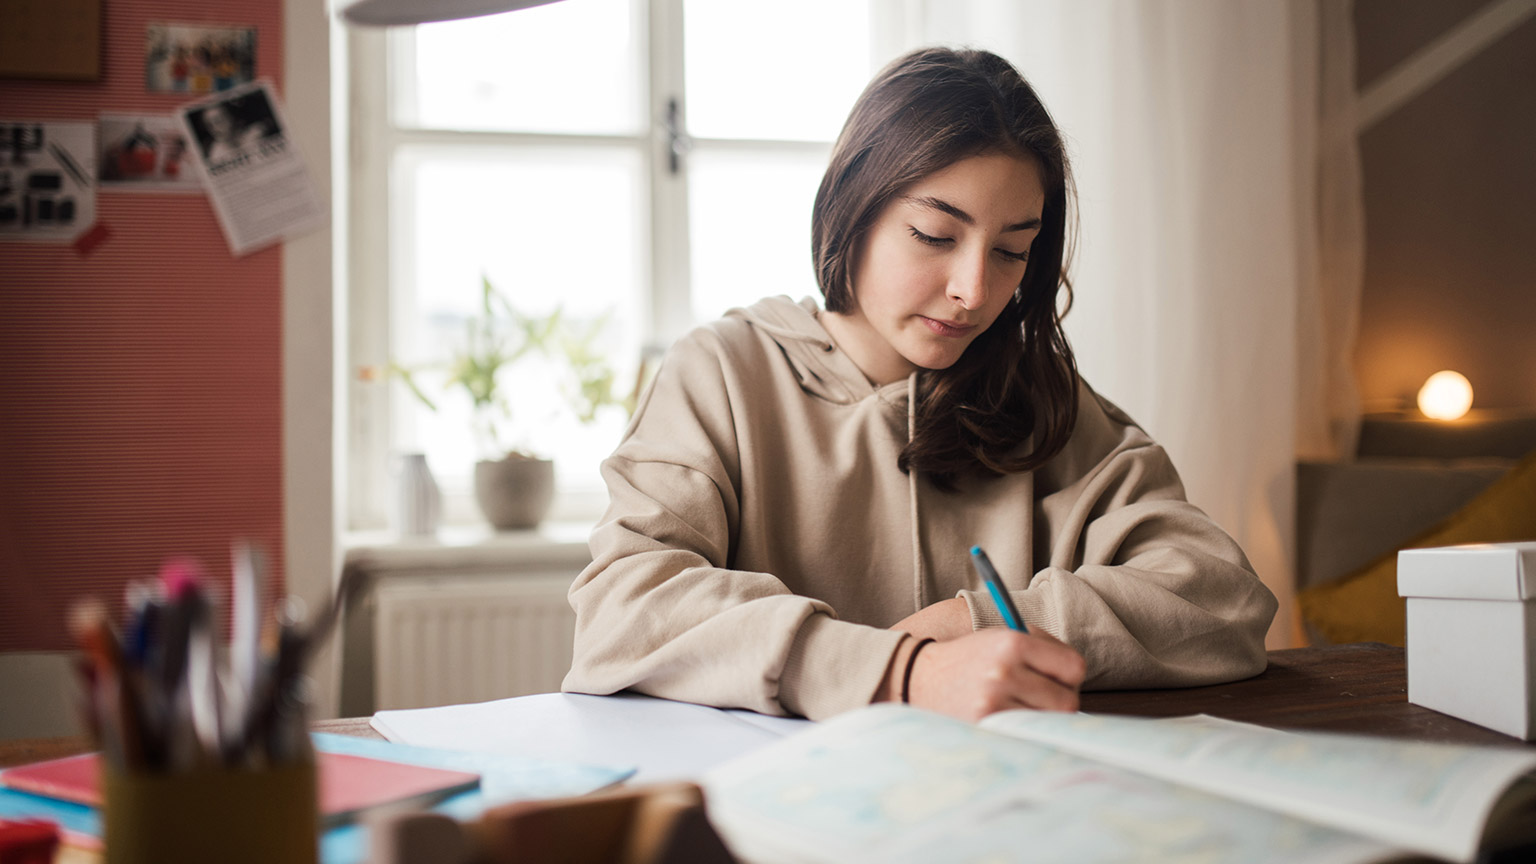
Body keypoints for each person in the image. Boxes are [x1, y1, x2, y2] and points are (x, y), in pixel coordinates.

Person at [562, 47, 1278, 723]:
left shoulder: (1042, 399)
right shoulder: (721, 373)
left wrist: (976, 622)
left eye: (1010, 251)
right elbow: (625, 608)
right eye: (936, 235)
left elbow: (1221, 597)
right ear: (855, 206)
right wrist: (900, 672)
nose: (973, 290)